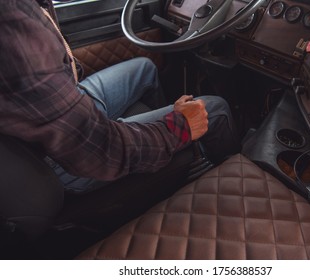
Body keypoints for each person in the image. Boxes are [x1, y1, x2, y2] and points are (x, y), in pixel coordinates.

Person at [0, 0, 240, 193]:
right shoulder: (12, 24)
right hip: (57, 161)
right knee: (215, 108)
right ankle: (225, 178)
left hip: (63, 113)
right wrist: (179, 128)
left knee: (144, 68)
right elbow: (97, 150)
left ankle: (167, 154)